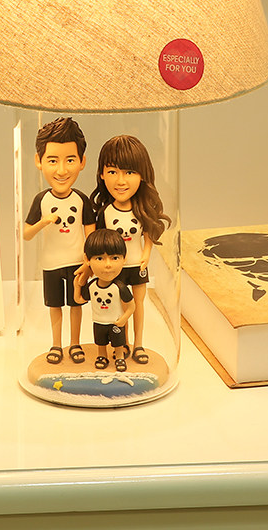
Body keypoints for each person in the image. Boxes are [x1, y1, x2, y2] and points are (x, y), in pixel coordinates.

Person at [88, 135, 170, 364]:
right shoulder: (105, 213)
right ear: (102, 174)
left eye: (130, 172)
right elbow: (99, 243)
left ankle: (139, 343)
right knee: (117, 305)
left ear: (142, 175)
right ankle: (120, 344)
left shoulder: (142, 209)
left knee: (139, 304)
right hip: (114, 268)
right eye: (113, 172)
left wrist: (146, 253)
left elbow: (149, 233)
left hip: (137, 265)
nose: (121, 181)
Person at [24, 117, 95, 365]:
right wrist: (43, 222)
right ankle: (56, 344)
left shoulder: (83, 200)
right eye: (53, 160)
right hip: (51, 264)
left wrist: (89, 264)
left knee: (76, 304)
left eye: (70, 160)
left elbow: (91, 236)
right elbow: (26, 234)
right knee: (55, 306)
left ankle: (75, 344)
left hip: (77, 263)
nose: (62, 170)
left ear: (82, 162)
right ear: (39, 161)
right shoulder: (41, 200)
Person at [74, 229, 135, 372]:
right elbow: (79, 300)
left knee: (118, 343)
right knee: (100, 342)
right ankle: (102, 356)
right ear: (87, 259)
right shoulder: (92, 286)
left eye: (115, 258)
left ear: (124, 258)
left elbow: (132, 306)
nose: (108, 265)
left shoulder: (120, 287)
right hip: (98, 321)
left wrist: (123, 319)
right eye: (100, 258)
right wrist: (76, 287)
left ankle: (119, 357)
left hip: (115, 322)